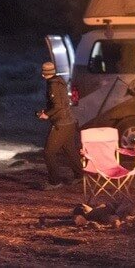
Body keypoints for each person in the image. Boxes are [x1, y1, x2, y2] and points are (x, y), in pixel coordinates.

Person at [36, 61, 83, 189]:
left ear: (44, 74)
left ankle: (54, 182)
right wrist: (46, 111)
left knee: (48, 152)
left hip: (61, 123)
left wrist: (47, 114)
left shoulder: (53, 85)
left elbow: (58, 105)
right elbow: (59, 103)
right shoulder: (59, 81)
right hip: (69, 121)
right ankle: (79, 175)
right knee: (69, 149)